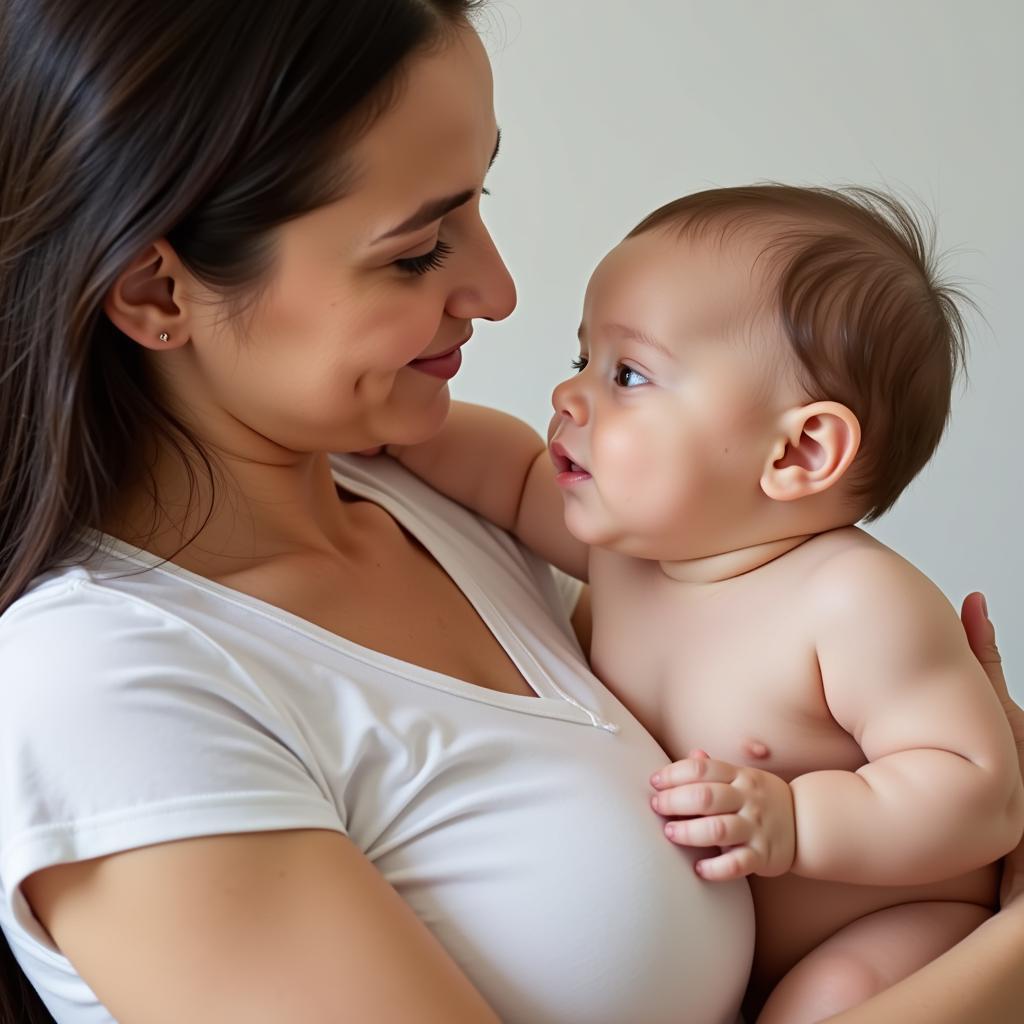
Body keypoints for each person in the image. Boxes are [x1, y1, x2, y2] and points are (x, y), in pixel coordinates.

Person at [0, 2, 1019, 1022]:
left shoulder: (444, 509)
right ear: (159, 292)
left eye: (480, 197)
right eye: (414, 251)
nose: (499, 291)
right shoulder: (103, 685)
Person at [382, 184, 1024, 1022]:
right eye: (581, 360)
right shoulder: (625, 552)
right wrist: (391, 427)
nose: (569, 397)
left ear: (799, 449)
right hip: (724, 955)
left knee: (828, 1003)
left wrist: (797, 820)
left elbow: (980, 792)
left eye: (629, 374)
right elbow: (504, 473)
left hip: (896, 925)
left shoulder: (854, 602)